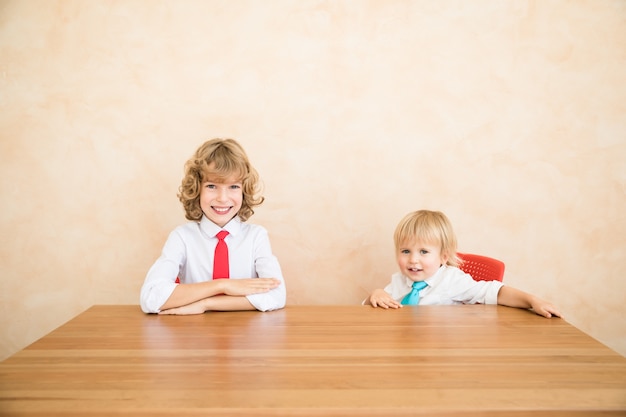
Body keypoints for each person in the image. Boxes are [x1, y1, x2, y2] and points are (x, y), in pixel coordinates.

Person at [140, 138, 285, 315]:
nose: (222, 198)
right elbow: (151, 297)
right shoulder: (182, 237)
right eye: (211, 186)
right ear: (197, 189)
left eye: (233, 186)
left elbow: (277, 296)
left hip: (245, 336)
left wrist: (206, 304)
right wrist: (222, 285)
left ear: (243, 190)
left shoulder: (256, 237)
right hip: (195, 335)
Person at [366, 210, 561, 318]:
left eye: (424, 252)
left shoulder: (452, 280)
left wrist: (532, 301)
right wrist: (375, 294)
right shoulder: (400, 280)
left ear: (443, 256)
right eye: (405, 251)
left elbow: (494, 292)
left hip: (440, 350)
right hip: (405, 347)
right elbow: (377, 305)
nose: (413, 260)